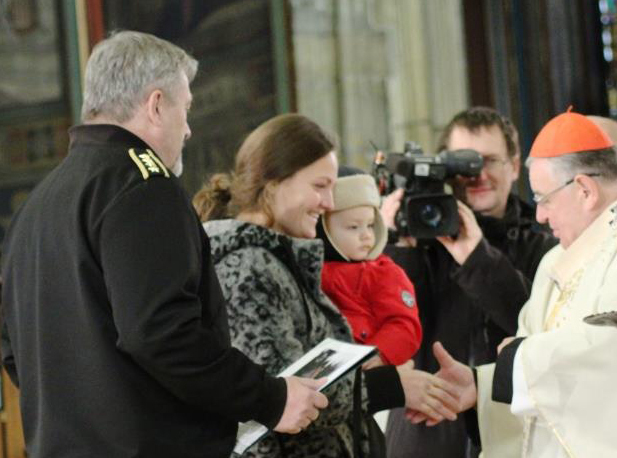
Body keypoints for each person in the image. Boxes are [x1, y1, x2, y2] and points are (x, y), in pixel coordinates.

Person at [0, 31, 326, 458]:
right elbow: (163, 334)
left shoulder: (38, 203)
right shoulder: (142, 185)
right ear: (156, 105)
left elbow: (13, 346)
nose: (189, 130)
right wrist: (271, 399)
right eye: (186, 109)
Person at [420, 110, 617, 457]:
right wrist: (484, 384)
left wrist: (515, 363)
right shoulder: (575, 249)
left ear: (584, 189)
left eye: (543, 197)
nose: (540, 214)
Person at [193, 113, 461, 457]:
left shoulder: (274, 259)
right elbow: (281, 399)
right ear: (274, 182)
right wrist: (389, 387)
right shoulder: (247, 265)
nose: (330, 203)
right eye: (320, 187)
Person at [382, 106, 558, 458]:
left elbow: (539, 329)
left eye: (489, 161)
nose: (477, 175)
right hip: (424, 439)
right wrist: (392, 246)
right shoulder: (414, 246)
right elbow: (392, 340)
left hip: (516, 439)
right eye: (464, 164)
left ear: (513, 164)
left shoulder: (548, 246)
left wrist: (474, 255)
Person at [317, 168, 422, 367]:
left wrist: (377, 355)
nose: (366, 235)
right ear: (323, 230)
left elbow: (403, 324)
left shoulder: (384, 273)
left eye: (371, 225)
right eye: (353, 227)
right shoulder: (309, 268)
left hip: (366, 362)